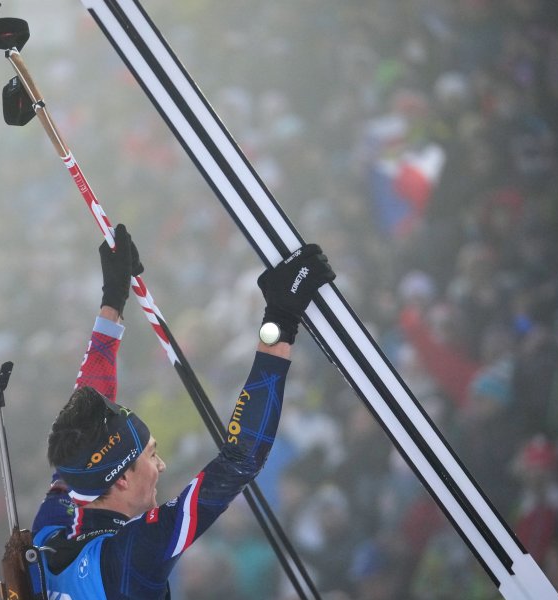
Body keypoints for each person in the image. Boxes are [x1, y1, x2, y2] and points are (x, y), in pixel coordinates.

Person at [28, 224, 335, 599]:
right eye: (151, 455)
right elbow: (241, 457)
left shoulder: (48, 540)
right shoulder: (132, 552)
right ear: (122, 478)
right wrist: (281, 321)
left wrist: (113, 297)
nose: (161, 466)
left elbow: (87, 412)